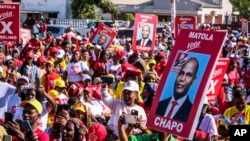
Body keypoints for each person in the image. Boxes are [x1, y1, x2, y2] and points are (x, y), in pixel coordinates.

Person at [155, 57, 199, 122]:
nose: (182, 79)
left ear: (194, 80)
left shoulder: (191, 113)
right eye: (181, 73)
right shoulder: (159, 105)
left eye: (189, 75)